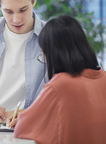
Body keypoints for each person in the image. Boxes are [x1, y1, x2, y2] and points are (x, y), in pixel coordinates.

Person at [8, 15, 106, 144]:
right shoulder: (103, 78)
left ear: (53, 53)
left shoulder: (61, 84)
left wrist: (21, 119)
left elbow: (22, 128)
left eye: (44, 54)